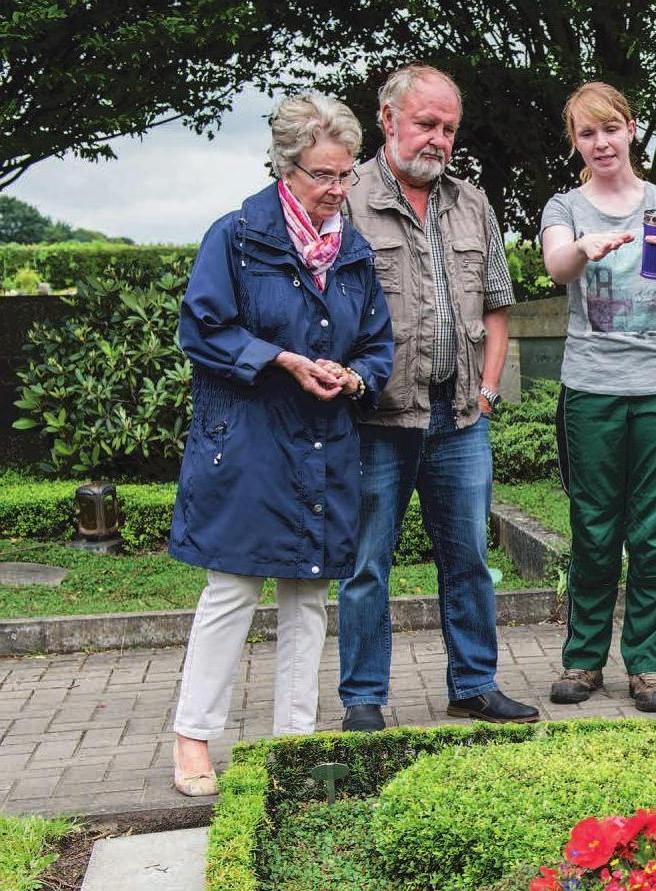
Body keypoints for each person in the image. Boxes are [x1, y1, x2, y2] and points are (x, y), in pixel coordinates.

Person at [168, 94, 393, 796]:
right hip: (247, 444)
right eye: (324, 176)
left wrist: (354, 375)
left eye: (346, 175)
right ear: (285, 168)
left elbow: (378, 343)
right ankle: (194, 738)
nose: (337, 190)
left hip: (325, 443)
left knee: (307, 597)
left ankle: (291, 743)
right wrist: (282, 360)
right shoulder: (234, 237)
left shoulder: (352, 250)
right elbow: (202, 329)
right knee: (232, 588)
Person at [335, 64, 538, 731]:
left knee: (470, 559)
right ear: (387, 118)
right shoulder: (347, 199)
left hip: (459, 418)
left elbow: (500, 305)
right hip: (376, 421)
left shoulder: (472, 201)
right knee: (367, 563)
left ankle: (473, 685)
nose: (439, 139)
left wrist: (486, 389)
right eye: (427, 123)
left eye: (449, 128)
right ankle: (364, 696)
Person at [540, 82, 656, 713]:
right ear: (577, 143)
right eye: (587, 134)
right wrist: (583, 249)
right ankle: (583, 659)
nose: (601, 143)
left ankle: (647, 664)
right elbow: (557, 265)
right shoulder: (564, 207)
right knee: (593, 526)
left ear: (631, 129)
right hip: (592, 388)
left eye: (610, 129)